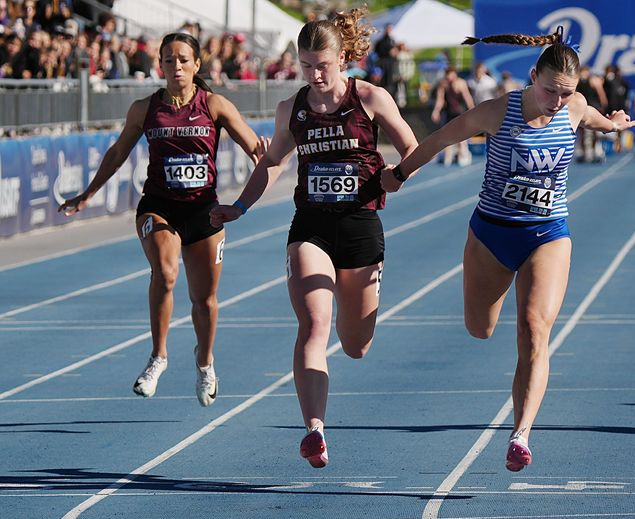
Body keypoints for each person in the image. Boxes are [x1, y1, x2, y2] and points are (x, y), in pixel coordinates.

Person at [380, 27, 635, 472]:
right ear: (532, 76)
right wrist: (399, 174)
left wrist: (614, 124)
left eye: (565, 93)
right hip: (491, 235)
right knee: (479, 329)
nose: (556, 102)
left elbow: (591, 116)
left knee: (534, 330)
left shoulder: (572, 106)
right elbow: (440, 139)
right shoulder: (498, 112)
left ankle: (521, 433)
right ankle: (517, 418)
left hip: (547, 233)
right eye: (549, 91)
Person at [209, 8, 418, 469]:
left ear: (342, 58)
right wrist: (239, 207)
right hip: (311, 228)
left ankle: (355, 312)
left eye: (322, 65)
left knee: (355, 344)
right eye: (306, 66)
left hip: (361, 227)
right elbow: (272, 163)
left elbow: (412, 147)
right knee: (312, 324)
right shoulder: (293, 108)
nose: (315, 74)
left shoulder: (369, 97)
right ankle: (314, 430)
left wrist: (395, 175)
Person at [58, 32, 268, 407]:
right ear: (160, 65)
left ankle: (205, 363)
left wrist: (253, 187)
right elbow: (118, 152)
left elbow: (258, 151)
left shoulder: (215, 105)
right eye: (169, 60)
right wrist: (87, 194)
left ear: (197, 65)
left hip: (204, 210)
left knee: (203, 300)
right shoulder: (145, 108)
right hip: (159, 206)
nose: (176, 67)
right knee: (166, 272)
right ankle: (159, 356)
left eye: (184, 60)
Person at [431, 65, 475, 166]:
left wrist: (473, 110)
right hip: (448, 113)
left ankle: (464, 154)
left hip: (460, 112)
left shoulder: (461, 83)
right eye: (447, 76)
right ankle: (448, 156)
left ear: (454, 74)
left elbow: (467, 97)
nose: (449, 78)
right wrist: (436, 111)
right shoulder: (443, 84)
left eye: (451, 75)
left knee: (461, 137)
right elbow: (440, 100)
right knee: (447, 136)